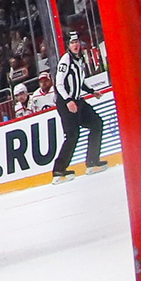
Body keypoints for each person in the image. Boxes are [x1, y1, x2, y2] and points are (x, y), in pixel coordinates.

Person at [48, 41, 106, 179]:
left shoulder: (79, 59)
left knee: (96, 124)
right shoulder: (65, 60)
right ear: (67, 45)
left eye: (77, 42)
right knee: (72, 135)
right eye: (72, 43)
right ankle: (59, 169)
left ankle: (92, 161)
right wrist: (68, 100)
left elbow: (79, 80)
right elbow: (59, 83)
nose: (75, 45)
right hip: (66, 102)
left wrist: (92, 91)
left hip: (78, 100)